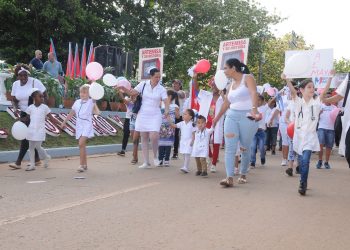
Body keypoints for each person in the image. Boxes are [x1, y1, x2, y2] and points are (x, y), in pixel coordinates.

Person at [284, 72, 333, 195]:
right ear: (302, 89)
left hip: (310, 137)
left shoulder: (316, 103)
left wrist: (330, 77)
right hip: (298, 137)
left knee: (305, 160)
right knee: (301, 161)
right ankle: (302, 176)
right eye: (309, 87)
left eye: (313, 87)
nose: (312, 89)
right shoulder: (298, 102)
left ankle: (303, 182)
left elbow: (324, 92)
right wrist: (287, 80)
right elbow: (293, 92)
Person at [213, 58, 260, 187]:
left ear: (233, 68)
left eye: (226, 68)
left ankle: (243, 173)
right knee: (230, 148)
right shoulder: (230, 85)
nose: (224, 71)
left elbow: (253, 92)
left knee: (244, 147)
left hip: (247, 117)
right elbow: (226, 103)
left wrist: (254, 109)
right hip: (231, 117)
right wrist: (216, 119)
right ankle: (229, 178)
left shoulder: (248, 78)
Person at [118, 68, 169, 169]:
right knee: (144, 137)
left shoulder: (161, 88)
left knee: (154, 136)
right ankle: (146, 162)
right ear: (151, 76)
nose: (158, 79)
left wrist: (166, 109)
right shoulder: (143, 84)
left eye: (159, 77)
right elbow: (132, 93)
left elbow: (166, 100)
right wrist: (123, 89)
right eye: (156, 77)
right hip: (143, 114)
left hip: (155, 114)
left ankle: (155, 157)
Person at [9, 65, 47, 169]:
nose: (23, 77)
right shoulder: (15, 84)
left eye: (25, 75)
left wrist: (42, 108)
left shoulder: (34, 81)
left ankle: (18, 162)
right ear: (17, 76)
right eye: (21, 75)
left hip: (34, 112)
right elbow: (14, 99)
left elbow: (44, 93)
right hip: (23, 112)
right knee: (29, 136)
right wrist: (15, 109)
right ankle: (38, 159)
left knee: (26, 137)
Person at [61, 84, 100, 172]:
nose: (82, 94)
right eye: (81, 92)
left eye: (85, 92)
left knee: (81, 143)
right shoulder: (77, 102)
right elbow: (71, 113)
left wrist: (93, 84)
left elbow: (95, 97)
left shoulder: (91, 102)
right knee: (82, 146)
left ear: (89, 94)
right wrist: (64, 122)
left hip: (87, 125)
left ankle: (81, 165)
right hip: (79, 125)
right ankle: (85, 164)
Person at [193, 76, 224, 173]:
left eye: (216, 85)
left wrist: (223, 95)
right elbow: (196, 89)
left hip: (217, 122)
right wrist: (194, 78)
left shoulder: (223, 98)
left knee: (216, 142)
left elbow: (229, 105)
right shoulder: (206, 95)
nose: (213, 87)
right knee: (204, 140)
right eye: (212, 85)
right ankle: (210, 156)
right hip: (206, 122)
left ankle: (214, 163)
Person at [322, 74, 350, 167]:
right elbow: (339, 96)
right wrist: (324, 99)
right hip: (349, 121)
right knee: (348, 152)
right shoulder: (349, 77)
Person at [24, 90, 54, 171]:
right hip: (31, 130)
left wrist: (60, 125)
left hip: (40, 130)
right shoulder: (30, 107)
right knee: (31, 147)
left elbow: (51, 118)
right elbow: (27, 118)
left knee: (38, 146)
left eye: (42, 96)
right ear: (34, 98)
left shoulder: (45, 107)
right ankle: (32, 165)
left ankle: (46, 157)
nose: (42, 98)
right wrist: (20, 119)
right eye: (40, 96)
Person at [169, 109, 196, 173]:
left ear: (190, 117)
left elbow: (193, 133)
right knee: (184, 153)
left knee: (187, 154)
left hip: (189, 141)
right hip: (183, 141)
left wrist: (192, 140)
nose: (183, 115)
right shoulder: (181, 123)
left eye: (185, 114)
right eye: (183, 114)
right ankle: (185, 166)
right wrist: (168, 119)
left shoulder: (192, 124)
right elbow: (174, 125)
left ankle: (185, 167)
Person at [158, 90, 179, 166]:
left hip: (171, 126)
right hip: (161, 126)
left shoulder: (175, 106)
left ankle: (166, 160)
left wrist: (172, 111)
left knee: (168, 143)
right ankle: (160, 159)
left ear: (169, 96)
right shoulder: (161, 104)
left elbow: (177, 116)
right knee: (161, 143)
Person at [316, 93, 337, 169]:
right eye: (327, 97)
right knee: (320, 145)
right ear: (324, 98)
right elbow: (314, 119)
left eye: (330, 97)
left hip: (331, 129)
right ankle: (320, 161)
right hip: (321, 128)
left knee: (329, 147)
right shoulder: (320, 106)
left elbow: (336, 118)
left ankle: (326, 162)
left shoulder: (334, 107)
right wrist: (318, 114)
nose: (328, 98)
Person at [250, 94, 268, 167]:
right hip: (253, 131)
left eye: (259, 100)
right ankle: (252, 162)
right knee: (253, 147)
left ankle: (262, 157)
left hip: (261, 132)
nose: (258, 102)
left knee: (261, 147)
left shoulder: (264, 108)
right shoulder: (252, 109)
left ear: (262, 101)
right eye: (256, 100)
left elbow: (270, 102)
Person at [172, 79, 186, 159]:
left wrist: (170, 92)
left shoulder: (181, 92)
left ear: (180, 85)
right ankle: (175, 152)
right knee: (175, 134)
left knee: (182, 134)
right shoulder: (172, 94)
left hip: (181, 116)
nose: (174, 85)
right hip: (174, 116)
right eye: (173, 83)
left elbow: (181, 95)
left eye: (176, 84)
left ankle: (182, 150)